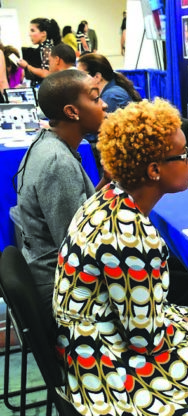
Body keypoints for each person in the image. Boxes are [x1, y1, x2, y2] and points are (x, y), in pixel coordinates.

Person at [53, 98, 188, 416]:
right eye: (185, 156)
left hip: (87, 344)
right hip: (106, 369)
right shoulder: (132, 236)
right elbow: (146, 340)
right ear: (154, 170)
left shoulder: (107, 197)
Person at [13, 69, 108, 313]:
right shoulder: (57, 162)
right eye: (95, 98)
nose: (104, 104)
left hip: (55, 276)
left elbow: (78, 211)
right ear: (72, 112)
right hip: (64, 291)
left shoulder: (46, 141)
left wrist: (105, 184)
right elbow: (78, 248)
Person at [77, 53, 142, 113]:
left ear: (97, 77)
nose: (77, 79)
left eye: (80, 75)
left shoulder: (111, 96)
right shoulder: (112, 90)